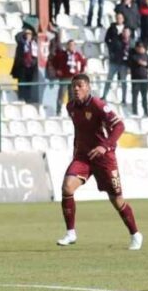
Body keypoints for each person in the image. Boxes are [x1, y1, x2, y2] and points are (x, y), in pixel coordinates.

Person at [56, 74, 142, 249]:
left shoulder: (98, 105)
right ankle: (70, 232)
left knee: (117, 200)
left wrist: (106, 146)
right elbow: (80, 132)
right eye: (74, 86)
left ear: (88, 87)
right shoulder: (71, 107)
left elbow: (119, 126)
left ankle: (135, 234)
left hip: (104, 159)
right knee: (67, 187)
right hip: (83, 158)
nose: (76, 89)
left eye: (80, 85)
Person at [103, 28, 131, 103]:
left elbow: (132, 54)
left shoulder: (131, 42)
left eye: (127, 32)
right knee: (109, 79)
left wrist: (130, 66)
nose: (125, 34)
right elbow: (111, 48)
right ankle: (104, 95)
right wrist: (113, 56)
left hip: (124, 64)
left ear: (129, 33)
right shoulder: (116, 40)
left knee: (123, 82)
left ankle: (124, 98)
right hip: (114, 63)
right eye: (124, 32)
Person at [128, 41, 148, 117]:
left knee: (144, 96)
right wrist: (139, 62)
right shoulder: (133, 55)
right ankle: (135, 111)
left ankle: (146, 111)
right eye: (139, 47)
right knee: (135, 96)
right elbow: (132, 62)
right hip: (135, 79)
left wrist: (145, 64)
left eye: (142, 47)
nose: (141, 49)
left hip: (144, 79)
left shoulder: (146, 56)